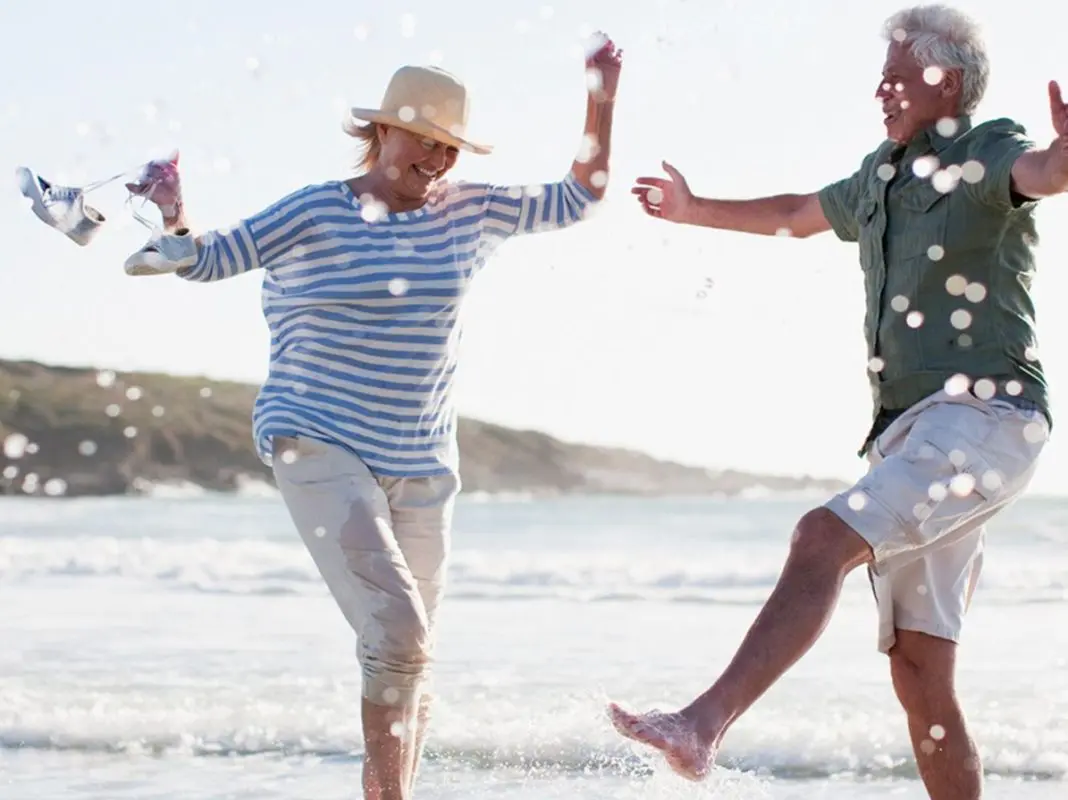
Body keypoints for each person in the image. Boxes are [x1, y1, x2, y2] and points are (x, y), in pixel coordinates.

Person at [125, 37, 622, 800]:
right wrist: (173, 212)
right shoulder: (315, 210)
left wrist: (601, 94)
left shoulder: (470, 211)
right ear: (382, 130)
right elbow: (210, 259)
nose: (438, 158)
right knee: (398, 634)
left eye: (449, 145)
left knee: (411, 659)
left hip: (423, 464)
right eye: (423, 138)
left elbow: (580, 196)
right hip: (316, 439)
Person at [608, 7, 1064, 799]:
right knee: (919, 670)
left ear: (947, 82)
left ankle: (702, 723)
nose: (881, 90)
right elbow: (795, 214)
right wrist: (693, 208)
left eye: (898, 75)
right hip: (911, 433)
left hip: (987, 418)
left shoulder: (987, 150)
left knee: (822, 537)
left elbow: (1045, 172)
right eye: (881, 75)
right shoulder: (880, 177)